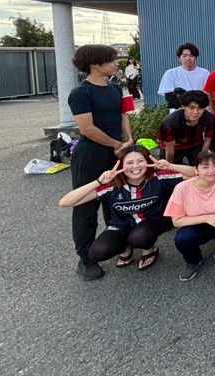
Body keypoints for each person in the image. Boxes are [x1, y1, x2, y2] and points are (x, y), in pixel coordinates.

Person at [58, 146, 190, 272]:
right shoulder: (111, 185)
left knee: (139, 237)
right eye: (129, 163)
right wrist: (98, 182)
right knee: (97, 252)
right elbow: (65, 202)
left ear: (148, 162)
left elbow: (196, 174)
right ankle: (125, 247)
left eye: (140, 161)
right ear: (121, 165)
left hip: (152, 222)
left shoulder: (159, 177)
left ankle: (149, 249)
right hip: (120, 225)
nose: (135, 166)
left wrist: (170, 166)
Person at [67, 44, 134, 280]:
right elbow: (87, 129)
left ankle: (117, 244)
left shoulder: (115, 87)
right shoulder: (81, 93)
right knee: (86, 205)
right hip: (91, 154)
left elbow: (123, 114)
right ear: (95, 64)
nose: (117, 63)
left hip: (116, 151)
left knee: (115, 199)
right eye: (111, 60)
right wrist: (116, 144)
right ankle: (85, 259)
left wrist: (128, 139)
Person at [164, 150, 215, 282]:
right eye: (205, 167)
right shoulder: (182, 188)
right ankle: (193, 260)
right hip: (194, 225)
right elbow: (176, 221)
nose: (211, 170)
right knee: (183, 239)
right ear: (196, 169)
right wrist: (207, 218)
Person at [157, 90, 215, 165]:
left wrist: (203, 161)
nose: (196, 112)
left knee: (200, 166)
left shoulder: (210, 118)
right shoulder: (169, 123)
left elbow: (207, 141)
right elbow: (169, 149)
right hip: (174, 147)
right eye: (191, 108)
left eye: (200, 108)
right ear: (183, 106)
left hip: (195, 144)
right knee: (168, 168)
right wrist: (169, 167)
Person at [157, 43, 210, 111]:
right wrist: (187, 107)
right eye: (184, 56)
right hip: (179, 113)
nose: (188, 58)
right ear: (179, 58)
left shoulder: (205, 73)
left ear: (196, 57)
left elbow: (207, 94)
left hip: (200, 112)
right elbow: (169, 96)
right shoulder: (170, 73)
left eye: (191, 55)